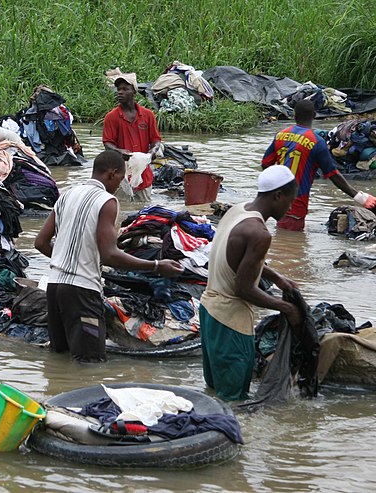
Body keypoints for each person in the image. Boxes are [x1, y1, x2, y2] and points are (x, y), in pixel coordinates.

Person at [34, 150, 183, 362]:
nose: (120, 185)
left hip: (55, 287)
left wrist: (66, 260)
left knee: (61, 359)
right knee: (91, 364)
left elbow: (40, 242)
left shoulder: (67, 195)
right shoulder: (107, 201)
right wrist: (157, 265)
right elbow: (110, 254)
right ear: (112, 174)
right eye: (121, 179)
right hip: (83, 292)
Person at [200, 166, 303, 401]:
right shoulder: (260, 233)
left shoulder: (238, 211)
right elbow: (243, 289)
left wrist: (276, 277)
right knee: (234, 402)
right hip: (230, 322)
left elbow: (238, 260)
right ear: (278, 196)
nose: (290, 208)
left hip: (208, 311)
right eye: (289, 201)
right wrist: (287, 308)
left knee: (215, 393)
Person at [261, 99, 376, 231]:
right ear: (315, 115)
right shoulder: (317, 142)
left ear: (294, 115)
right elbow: (333, 175)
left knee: (281, 234)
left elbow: (265, 164)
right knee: (289, 244)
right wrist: (362, 197)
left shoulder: (281, 135)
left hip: (275, 199)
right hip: (296, 200)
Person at [102, 72, 162, 201]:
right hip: (120, 177)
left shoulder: (148, 115)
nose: (120, 92)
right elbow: (107, 144)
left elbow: (156, 140)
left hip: (143, 175)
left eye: (125, 89)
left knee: (144, 212)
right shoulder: (111, 117)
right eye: (119, 89)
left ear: (134, 92)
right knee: (121, 211)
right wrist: (119, 151)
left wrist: (152, 152)